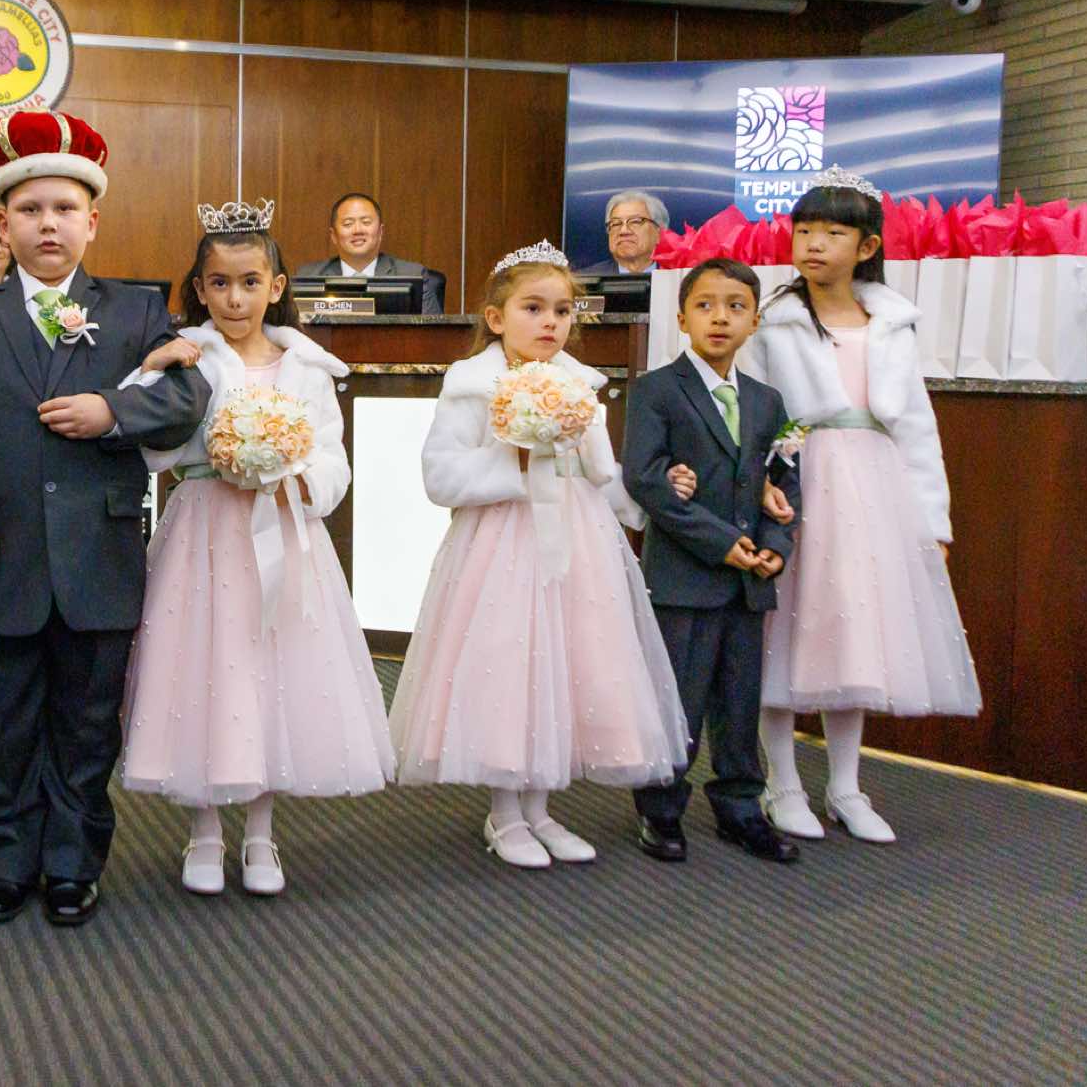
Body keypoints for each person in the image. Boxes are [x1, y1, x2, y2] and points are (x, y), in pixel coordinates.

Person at [0, 109, 210, 928]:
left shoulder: (137, 311)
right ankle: (3, 861)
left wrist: (114, 411)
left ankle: (74, 863)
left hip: (97, 557)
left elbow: (188, 396)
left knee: (85, 725)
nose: (49, 224)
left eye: (65, 209)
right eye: (31, 209)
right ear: (3, 223)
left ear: (92, 221)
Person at [119, 200, 393, 897]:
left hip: (283, 532)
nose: (235, 299)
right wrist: (151, 371)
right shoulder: (188, 355)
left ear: (276, 286)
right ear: (200, 288)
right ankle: (205, 830)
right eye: (219, 284)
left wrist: (292, 472)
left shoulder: (307, 366)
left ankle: (262, 833)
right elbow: (148, 447)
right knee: (206, 671)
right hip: (205, 531)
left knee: (273, 675)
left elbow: (333, 459)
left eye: (249, 282)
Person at [388, 241, 687, 869]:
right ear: (496, 318)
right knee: (512, 662)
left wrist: (652, 497)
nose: (550, 322)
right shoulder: (471, 386)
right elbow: (441, 475)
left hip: (577, 535)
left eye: (563, 310)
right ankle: (505, 812)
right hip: (503, 537)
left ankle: (541, 807)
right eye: (533, 308)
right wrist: (516, 462)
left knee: (569, 660)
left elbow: (600, 471)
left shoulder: (580, 384)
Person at [744, 167, 981, 844]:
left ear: (867, 245)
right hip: (799, 482)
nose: (814, 244)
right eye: (804, 231)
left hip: (875, 490)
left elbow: (917, 429)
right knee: (783, 633)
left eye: (832, 233)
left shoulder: (892, 324)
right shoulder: (772, 321)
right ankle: (782, 782)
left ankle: (846, 786)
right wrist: (758, 488)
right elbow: (754, 414)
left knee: (856, 633)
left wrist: (933, 523)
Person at [622, 257, 801, 865]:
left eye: (735, 307)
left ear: (754, 322)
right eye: (704, 305)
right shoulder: (657, 390)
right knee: (679, 697)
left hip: (748, 581)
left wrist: (776, 547)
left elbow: (783, 483)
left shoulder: (767, 401)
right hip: (685, 576)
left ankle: (740, 806)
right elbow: (646, 480)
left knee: (739, 700)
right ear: (681, 318)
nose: (719, 317)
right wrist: (720, 541)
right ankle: (661, 807)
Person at [293, 192, 445, 313]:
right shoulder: (309, 276)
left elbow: (432, 334)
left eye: (366, 222)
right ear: (333, 236)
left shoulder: (412, 275)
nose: (358, 230)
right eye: (348, 224)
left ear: (380, 232)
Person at [578, 190, 668, 275]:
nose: (623, 231)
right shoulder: (582, 280)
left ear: (659, 234)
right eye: (616, 223)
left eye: (635, 222)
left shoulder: (675, 277)